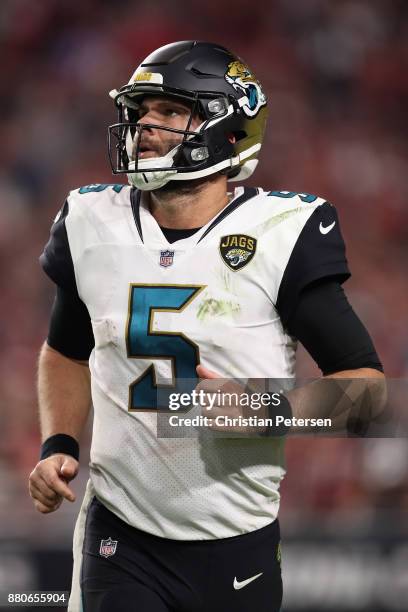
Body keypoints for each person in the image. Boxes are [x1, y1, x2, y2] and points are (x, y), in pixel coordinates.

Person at [29, 41, 385, 612]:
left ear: (226, 128)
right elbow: (65, 352)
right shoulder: (92, 221)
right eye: (141, 110)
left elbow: (368, 394)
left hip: (237, 542)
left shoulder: (281, 233)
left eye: (170, 112)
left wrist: (269, 413)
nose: (145, 125)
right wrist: (58, 443)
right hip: (122, 536)